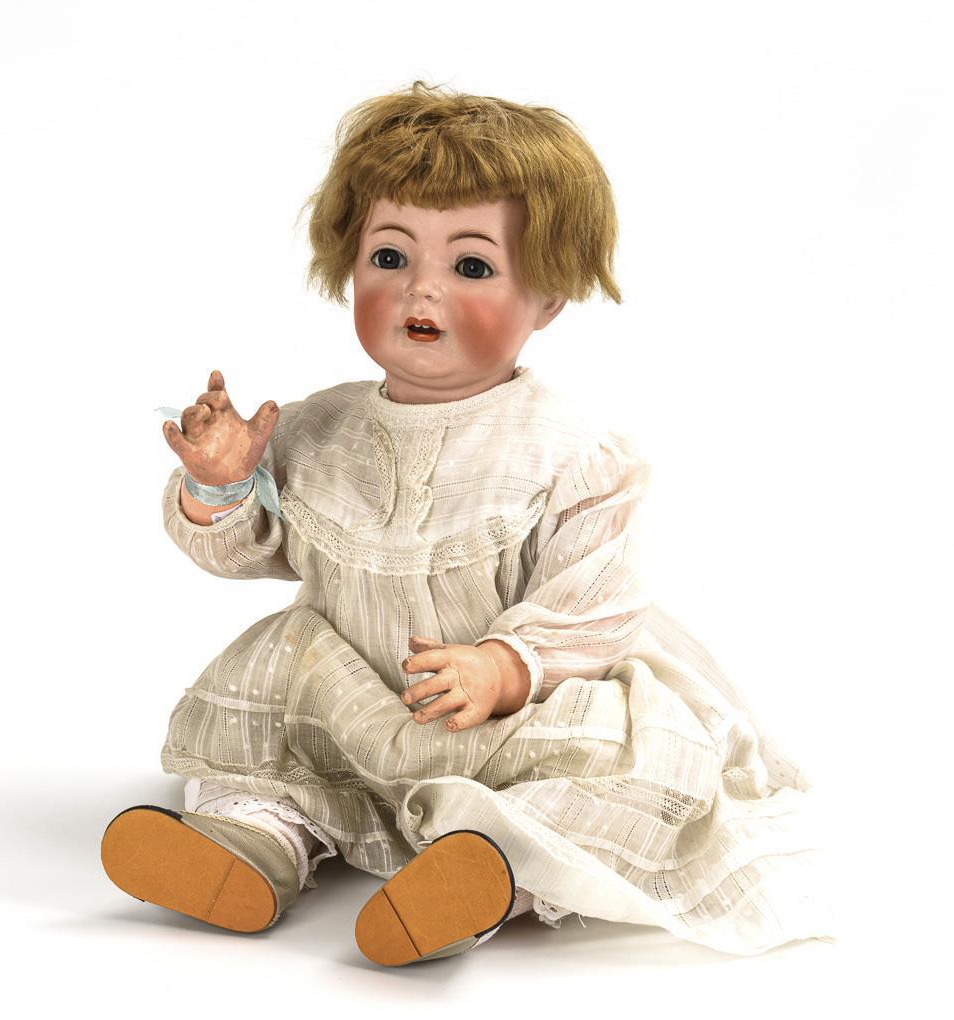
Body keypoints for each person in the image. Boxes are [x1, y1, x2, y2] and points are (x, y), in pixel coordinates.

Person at [100, 81, 836, 964]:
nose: (422, 289)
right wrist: (223, 487)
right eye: (389, 256)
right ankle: (257, 842)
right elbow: (246, 550)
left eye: (473, 267)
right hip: (343, 697)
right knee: (266, 741)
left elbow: (598, 602)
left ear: (548, 295)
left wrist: (505, 665)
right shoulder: (314, 429)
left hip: (513, 722)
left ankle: (495, 871)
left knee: (625, 761)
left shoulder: (569, 452)